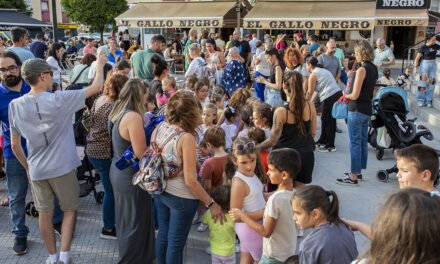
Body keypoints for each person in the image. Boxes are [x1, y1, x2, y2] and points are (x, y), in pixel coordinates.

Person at [8, 54, 107, 264]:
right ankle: (64, 255)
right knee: (70, 209)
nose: (53, 77)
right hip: (62, 167)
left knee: (44, 213)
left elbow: (15, 144)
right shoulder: (59, 99)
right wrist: (99, 64)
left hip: (37, 169)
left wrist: (27, 167)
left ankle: (52, 257)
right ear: (42, 76)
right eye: (51, 74)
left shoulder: (15, 105)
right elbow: (97, 86)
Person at [0, 51, 63, 256]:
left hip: (42, 151)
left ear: (19, 67)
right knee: (17, 196)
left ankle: (57, 221)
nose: (7, 72)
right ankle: (20, 233)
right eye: (2, 69)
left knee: (51, 190)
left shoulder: (34, 87)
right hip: (14, 153)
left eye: (11, 67)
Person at [153, 90, 225, 264]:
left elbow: (161, 158)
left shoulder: (160, 128)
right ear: (191, 113)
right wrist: (211, 203)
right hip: (181, 198)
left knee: (163, 235)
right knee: (176, 245)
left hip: (160, 191)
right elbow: (190, 181)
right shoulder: (186, 138)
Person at [108, 78, 155, 263]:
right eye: (145, 93)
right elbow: (141, 152)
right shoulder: (134, 117)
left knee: (128, 218)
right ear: (139, 94)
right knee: (134, 220)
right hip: (130, 175)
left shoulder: (119, 110)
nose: (147, 96)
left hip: (119, 171)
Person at [230, 148, 299, 264]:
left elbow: (265, 231)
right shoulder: (295, 193)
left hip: (274, 255)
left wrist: (242, 216)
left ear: (284, 174)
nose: (267, 173)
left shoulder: (275, 200)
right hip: (288, 250)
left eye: (271, 170)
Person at [86, 73, 128, 240]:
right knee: (110, 191)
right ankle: (108, 228)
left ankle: (111, 223)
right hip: (103, 152)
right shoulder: (114, 106)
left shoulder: (100, 99)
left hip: (92, 148)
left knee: (108, 188)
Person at [257, 71, 317, 188]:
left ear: (284, 86)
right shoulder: (311, 107)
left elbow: (272, 140)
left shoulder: (281, 111)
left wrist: (255, 148)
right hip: (305, 155)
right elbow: (313, 133)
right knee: (299, 195)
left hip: (284, 158)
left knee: (281, 193)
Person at [336, 40, 378, 186]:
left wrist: (344, 94)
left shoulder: (362, 70)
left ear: (361, 53)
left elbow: (354, 95)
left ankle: (353, 176)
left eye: (356, 52)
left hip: (356, 109)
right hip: (367, 109)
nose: (355, 55)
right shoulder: (374, 68)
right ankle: (358, 172)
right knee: (361, 142)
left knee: (354, 143)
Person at [291, 185, 358, 264]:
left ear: (315, 214)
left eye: (298, 213)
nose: (294, 218)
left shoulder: (308, 246)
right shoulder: (345, 228)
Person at [229, 137, 266, 263]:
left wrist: (276, 194)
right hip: (251, 229)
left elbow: (257, 195)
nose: (249, 166)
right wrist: (263, 213)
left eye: (252, 160)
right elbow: (235, 216)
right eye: (243, 163)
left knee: (246, 259)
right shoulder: (239, 183)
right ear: (235, 161)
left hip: (253, 227)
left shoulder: (250, 174)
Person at [306, 56, 343, 152]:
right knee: (325, 119)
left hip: (330, 96)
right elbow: (316, 92)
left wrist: (305, 103)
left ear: (309, 65)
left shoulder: (313, 74)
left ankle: (330, 145)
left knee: (329, 120)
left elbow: (309, 92)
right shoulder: (322, 71)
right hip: (335, 94)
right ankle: (323, 140)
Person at [202, 185, 236, 264]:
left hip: (214, 250)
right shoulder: (234, 217)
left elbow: (204, 222)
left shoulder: (209, 213)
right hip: (229, 252)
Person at [413, 33, 440, 107]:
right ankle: (420, 100)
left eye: (435, 39)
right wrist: (415, 68)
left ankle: (428, 100)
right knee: (422, 83)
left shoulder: (436, 46)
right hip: (425, 64)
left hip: (433, 65)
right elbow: (417, 59)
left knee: (431, 83)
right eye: (433, 39)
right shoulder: (423, 47)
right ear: (428, 39)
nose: (435, 41)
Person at [200, 126, 228, 193]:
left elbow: (207, 188)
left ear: (208, 144)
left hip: (216, 199)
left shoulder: (208, 163)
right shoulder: (232, 158)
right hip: (230, 197)